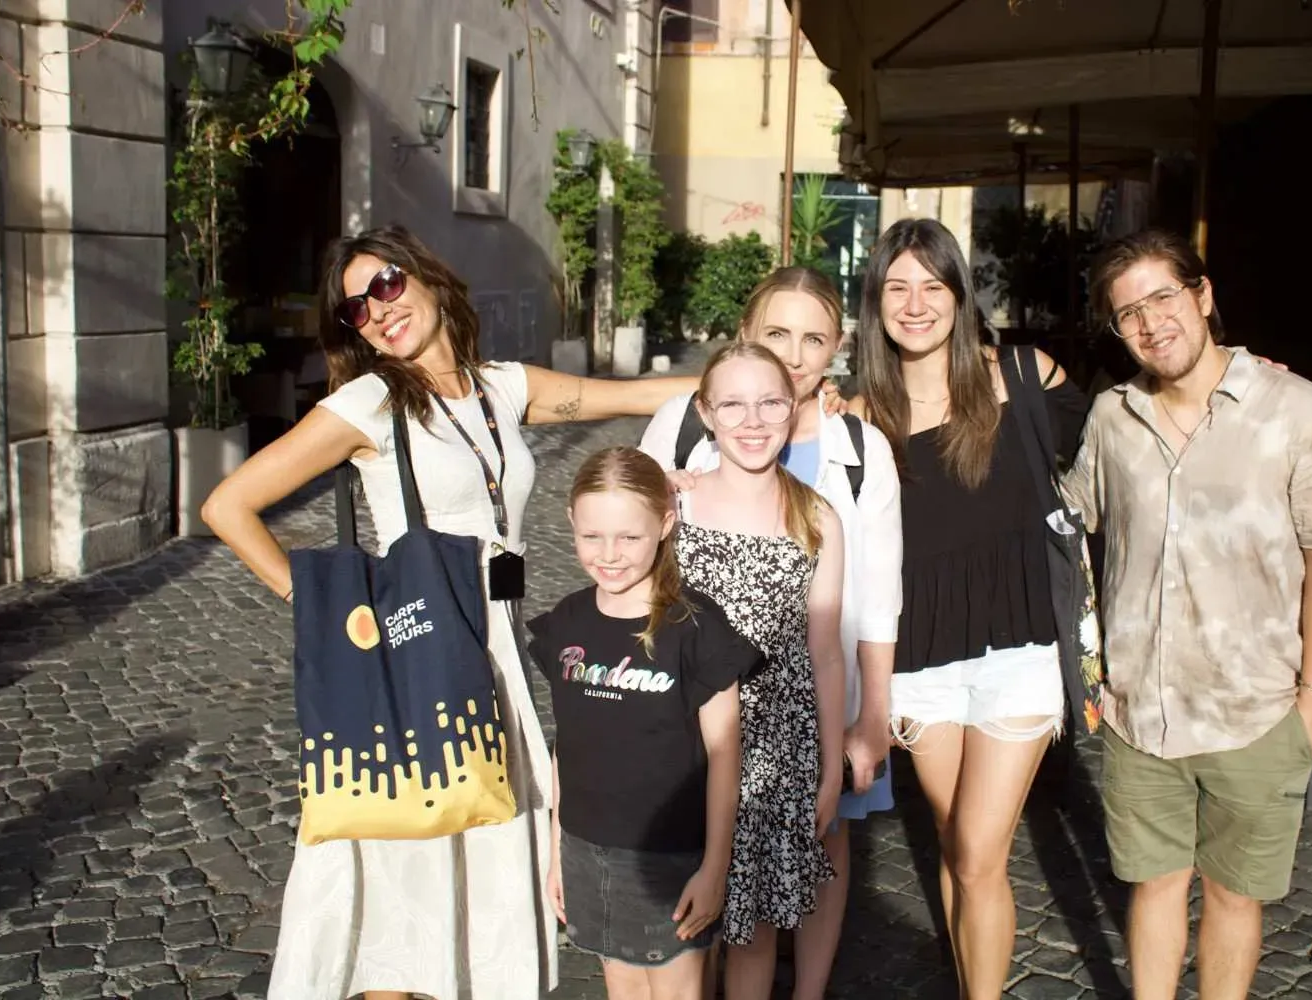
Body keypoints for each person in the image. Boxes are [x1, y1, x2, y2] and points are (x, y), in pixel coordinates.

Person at [200, 224, 705, 1000]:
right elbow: (229, 506)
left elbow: (642, 394)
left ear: (430, 279)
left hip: (499, 649)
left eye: (387, 284)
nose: (377, 310)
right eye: (357, 310)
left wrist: (771, 391)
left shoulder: (501, 385)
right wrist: (328, 611)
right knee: (405, 883)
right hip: (421, 662)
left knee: (476, 877)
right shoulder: (368, 403)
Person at [1061, 229, 1312, 1000]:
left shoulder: (1300, 412)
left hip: (1258, 709)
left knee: (1234, 895)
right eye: (1127, 312)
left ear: (1202, 296)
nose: (1150, 322)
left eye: (1164, 296)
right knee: (1154, 887)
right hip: (1140, 712)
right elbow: (1067, 524)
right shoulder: (1112, 418)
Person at [638, 268, 901, 999]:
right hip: (689, 713)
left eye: (813, 338)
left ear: (836, 348)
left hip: (797, 709)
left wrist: (866, 718)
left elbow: (871, 598)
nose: (793, 352)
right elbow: (629, 541)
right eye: (777, 334)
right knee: (692, 886)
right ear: (746, 333)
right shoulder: (689, 425)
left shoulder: (853, 449)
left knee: (795, 870)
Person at [848, 218, 1091, 1000]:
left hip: (1018, 648)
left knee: (982, 852)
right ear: (875, 302)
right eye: (897, 288)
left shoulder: (1023, 376)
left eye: (932, 285)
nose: (915, 304)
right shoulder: (859, 417)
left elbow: (1127, 430)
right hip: (918, 656)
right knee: (957, 846)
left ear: (959, 294)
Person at [528, 447, 760, 1000]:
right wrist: (558, 851)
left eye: (629, 537)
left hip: (672, 857)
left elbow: (726, 754)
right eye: (593, 536)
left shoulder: (697, 628)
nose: (610, 555)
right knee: (622, 986)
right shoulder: (567, 622)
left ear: (665, 524)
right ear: (572, 524)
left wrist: (714, 869)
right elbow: (568, 746)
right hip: (587, 848)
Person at [669, 342, 846, 1000]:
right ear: (705, 413)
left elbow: (825, 652)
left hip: (779, 759)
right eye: (733, 404)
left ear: (795, 408)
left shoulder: (818, 518)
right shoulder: (671, 509)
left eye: (770, 402)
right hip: (684, 751)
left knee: (755, 932)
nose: (753, 420)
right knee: (681, 930)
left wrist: (829, 766)